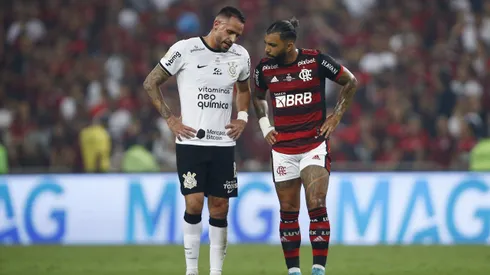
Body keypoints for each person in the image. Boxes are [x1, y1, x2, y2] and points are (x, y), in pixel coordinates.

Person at [142, 6, 251, 275]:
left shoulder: (241, 56)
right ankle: (192, 270)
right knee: (194, 202)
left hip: (224, 143)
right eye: (230, 32)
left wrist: (243, 117)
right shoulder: (185, 49)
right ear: (216, 24)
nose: (233, 40)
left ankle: (216, 272)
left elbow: (245, 89)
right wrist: (170, 119)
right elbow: (151, 82)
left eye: (238, 35)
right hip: (191, 142)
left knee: (220, 207)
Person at [252, 18, 358, 275]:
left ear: (289, 46)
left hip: (313, 146)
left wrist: (336, 116)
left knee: (316, 202)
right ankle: (293, 271)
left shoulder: (316, 61)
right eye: (266, 43)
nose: (266, 49)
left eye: (272, 45)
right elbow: (257, 96)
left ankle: (318, 269)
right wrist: (266, 126)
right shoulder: (264, 69)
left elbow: (350, 81)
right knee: (288, 211)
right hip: (282, 150)